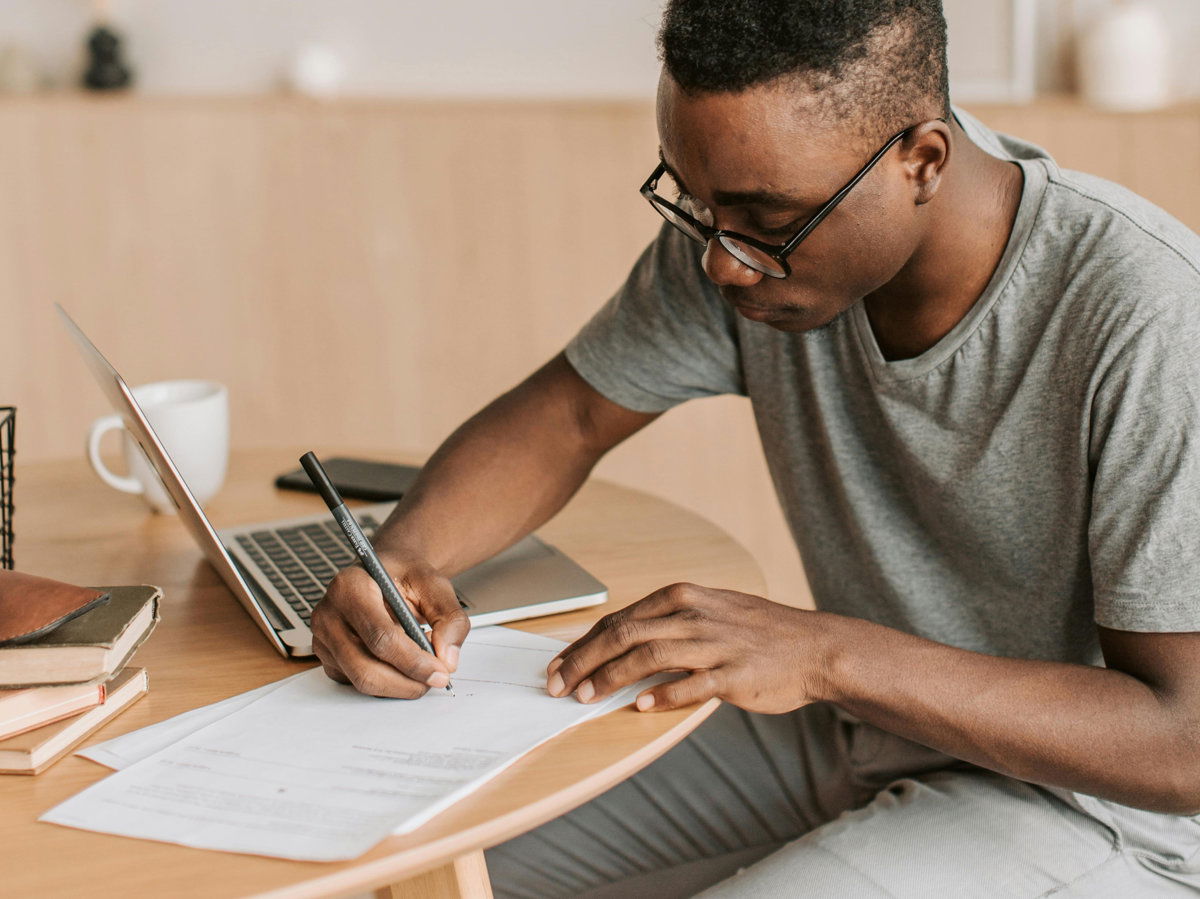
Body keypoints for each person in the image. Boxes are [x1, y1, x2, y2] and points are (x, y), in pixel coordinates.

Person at [311, 1, 1200, 895]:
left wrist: (824, 653)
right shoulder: (750, 230)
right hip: (859, 725)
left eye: (765, 221)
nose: (722, 265)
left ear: (921, 160)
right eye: (695, 203)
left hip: (1095, 808)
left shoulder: (1147, 319)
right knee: (396, 860)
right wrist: (402, 556)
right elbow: (569, 416)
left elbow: (1185, 741)